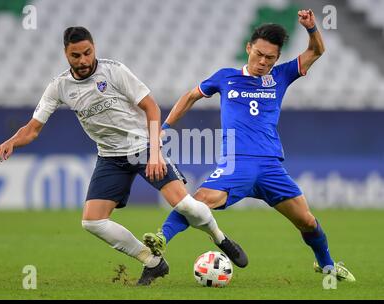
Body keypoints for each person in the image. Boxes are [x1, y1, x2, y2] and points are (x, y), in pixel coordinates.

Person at [0, 26, 247, 286]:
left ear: (94, 49)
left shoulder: (114, 71)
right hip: (110, 157)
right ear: (66, 54)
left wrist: (156, 152)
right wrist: (12, 141)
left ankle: (219, 238)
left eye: (87, 53)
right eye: (76, 56)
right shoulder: (59, 87)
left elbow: (152, 108)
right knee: (93, 222)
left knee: (184, 206)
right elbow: (33, 129)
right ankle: (152, 262)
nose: (83, 61)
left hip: (143, 147)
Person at [143, 10, 355, 282]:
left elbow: (317, 51)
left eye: (270, 58)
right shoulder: (225, 77)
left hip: (270, 167)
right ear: (249, 48)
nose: (263, 62)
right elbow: (190, 96)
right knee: (199, 200)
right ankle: (161, 239)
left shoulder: (281, 75)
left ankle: (327, 267)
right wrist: (164, 129)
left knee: (307, 221)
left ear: (277, 58)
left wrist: (312, 27)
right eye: (259, 54)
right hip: (237, 163)